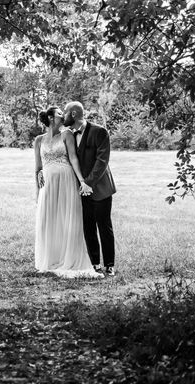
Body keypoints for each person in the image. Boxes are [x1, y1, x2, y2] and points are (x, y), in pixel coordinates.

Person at [33, 106, 102, 278]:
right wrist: (37, 192)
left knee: (67, 218)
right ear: (50, 118)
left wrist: (82, 181)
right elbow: (38, 168)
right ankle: (51, 258)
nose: (63, 116)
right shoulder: (39, 141)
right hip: (47, 185)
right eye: (59, 114)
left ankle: (69, 258)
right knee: (48, 219)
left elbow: (73, 158)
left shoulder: (67, 134)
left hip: (66, 181)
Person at [63, 101, 117, 276]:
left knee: (104, 226)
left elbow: (102, 161)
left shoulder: (99, 131)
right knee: (88, 227)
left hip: (100, 188)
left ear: (73, 114)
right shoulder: (69, 135)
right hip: (82, 190)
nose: (63, 116)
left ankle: (109, 265)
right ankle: (94, 263)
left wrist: (88, 183)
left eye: (64, 113)